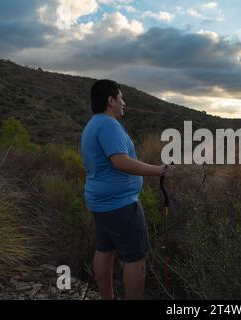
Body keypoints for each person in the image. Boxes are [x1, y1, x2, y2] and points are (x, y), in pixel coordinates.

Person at [80, 79, 175, 300]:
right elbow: (120, 162)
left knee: (105, 249)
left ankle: (107, 297)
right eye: (121, 98)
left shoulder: (93, 124)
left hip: (100, 202)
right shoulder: (109, 125)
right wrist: (159, 170)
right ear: (110, 100)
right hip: (120, 204)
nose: (124, 103)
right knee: (135, 259)